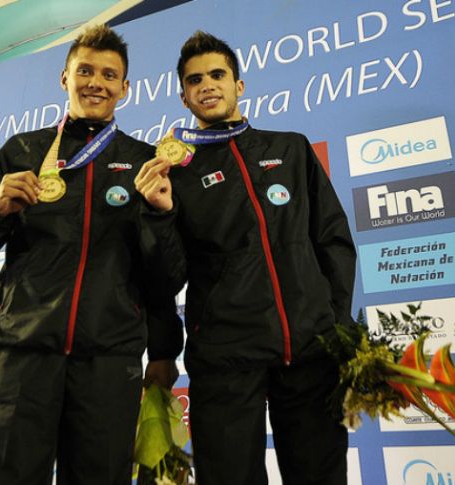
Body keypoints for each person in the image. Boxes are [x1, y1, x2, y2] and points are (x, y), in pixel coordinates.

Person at [0, 24, 182, 485]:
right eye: (85, 70)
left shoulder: (145, 162)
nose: (96, 82)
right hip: (22, 356)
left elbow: (164, 280)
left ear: (125, 88)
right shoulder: (22, 151)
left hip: (108, 363)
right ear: (65, 78)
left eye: (109, 75)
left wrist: (160, 216)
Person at [134, 31, 357, 485]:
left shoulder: (290, 148)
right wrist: (159, 214)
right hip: (225, 360)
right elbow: (167, 276)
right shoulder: (176, 172)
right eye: (195, 80)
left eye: (218, 74)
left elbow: (332, 240)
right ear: (184, 96)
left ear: (240, 85)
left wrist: (335, 325)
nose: (207, 85)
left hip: (310, 353)